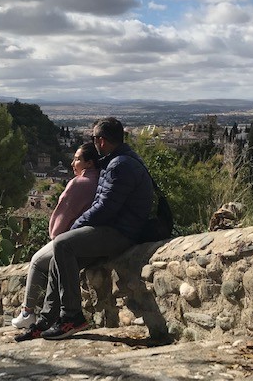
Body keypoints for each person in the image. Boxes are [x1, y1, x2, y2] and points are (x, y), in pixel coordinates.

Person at [16, 117, 154, 342]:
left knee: (63, 244)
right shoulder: (118, 161)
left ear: (100, 141)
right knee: (57, 261)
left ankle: (72, 316)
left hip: (121, 233)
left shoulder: (120, 165)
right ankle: (48, 320)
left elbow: (105, 208)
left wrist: (76, 227)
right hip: (116, 229)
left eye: (94, 138)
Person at [11, 143, 100, 329]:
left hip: (70, 238)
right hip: (93, 238)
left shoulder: (78, 183)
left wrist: (55, 236)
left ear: (89, 163)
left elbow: (62, 214)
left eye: (77, 159)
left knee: (36, 261)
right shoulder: (101, 180)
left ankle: (27, 312)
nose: (72, 163)